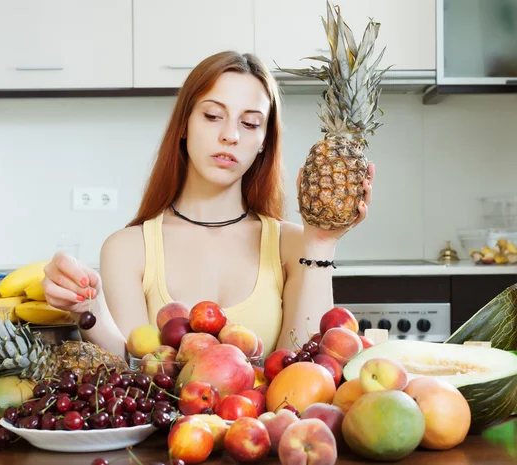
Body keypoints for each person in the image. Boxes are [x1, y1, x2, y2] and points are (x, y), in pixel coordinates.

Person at [41, 51, 374, 359]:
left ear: (263, 143)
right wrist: (90, 307)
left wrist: (321, 243)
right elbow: (131, 375)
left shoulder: (293, 245)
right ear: (184, 124)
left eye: (250, 123)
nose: (230, 135)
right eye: (214, 115)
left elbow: (304, 370)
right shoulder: (128, 248)